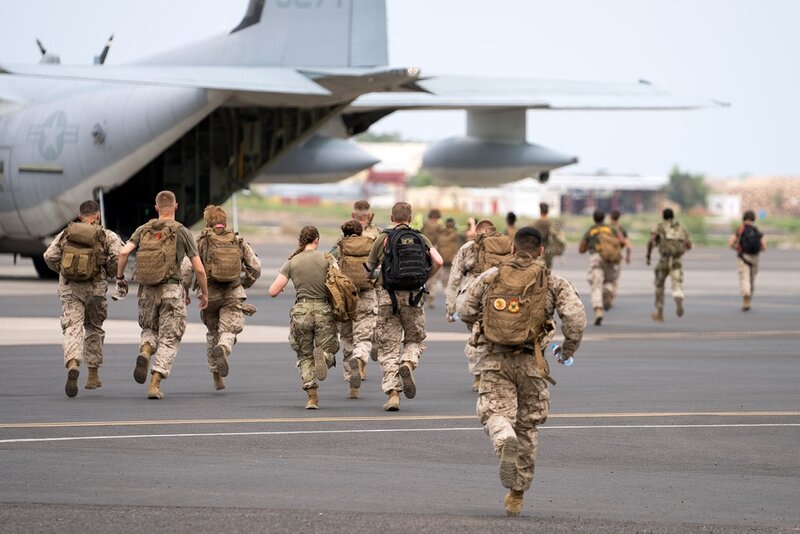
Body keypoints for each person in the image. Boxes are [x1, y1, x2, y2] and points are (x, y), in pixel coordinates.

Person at [456, 226, 586, 517]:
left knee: (494, 412)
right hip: (532, 364)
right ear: (541, 251)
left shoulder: (491, 276)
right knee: (527, 427)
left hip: (494, 360)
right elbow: (576, 319)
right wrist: (567, 351)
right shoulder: (553, 281)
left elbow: (464, 309)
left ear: (513, 249)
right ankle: (516, 494)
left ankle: (504, 440)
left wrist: (484, 323)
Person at [115, 190, 209, 400]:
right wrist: (204, 294)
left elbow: (123, 252)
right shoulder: (182, 231)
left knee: (149, 329)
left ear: (156, 208)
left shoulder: (143, 229)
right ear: (175, 206)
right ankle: (155, 383)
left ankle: (146, 350)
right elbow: (199, 269)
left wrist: (120, 278)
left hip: (146, 291)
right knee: (170, 337)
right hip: (171, 291)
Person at [366, 202, 443, 411]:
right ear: (410, 218)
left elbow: (369, 269)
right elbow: (438, 260)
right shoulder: (420, 237)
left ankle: (393, 394)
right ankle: (408, 362)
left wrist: (374, 274)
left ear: (392, 218)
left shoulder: (383, 238)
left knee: (388, 347)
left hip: (387, 298)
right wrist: (424, 279)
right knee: (414, 339)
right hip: (413, 297)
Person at [43, 200, 123, 398]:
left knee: (73, 327)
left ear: (80, 216)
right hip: (95, 290)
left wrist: (63, 270)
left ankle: (73, 363)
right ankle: (93, 376)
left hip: (70, 288)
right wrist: (109, 272)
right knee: (94, 328)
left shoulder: (67, 233)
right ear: (97, 216)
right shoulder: (106, 235)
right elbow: (118, 256)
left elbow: (49, 256)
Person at [189, 205, 261, 391]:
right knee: (229, 330)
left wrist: (185, 291)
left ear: (207, 222)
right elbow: (255, 266)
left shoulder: (201, 242)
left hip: (209, 295)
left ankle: (217, 376)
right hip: (232, 292)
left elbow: (187, 268)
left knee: (213, 333)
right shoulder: (237, 240)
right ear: (225, 221)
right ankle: (224, 347)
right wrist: (245, 283)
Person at [269, 226, 339, 409]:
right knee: (330, 348)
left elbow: (273, 291)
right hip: (323, 310)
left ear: (301, 240)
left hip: (301, 312)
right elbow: (341, 283)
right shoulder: (328, 258)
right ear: (317, 240)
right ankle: (324, 357)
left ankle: (312, 398)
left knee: (304, 355)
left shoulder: (292, 262)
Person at [446, 219, 512, 392]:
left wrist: (450, 307)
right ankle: (498, 372)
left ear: (477, 231)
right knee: (495, 334)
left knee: (476, 333)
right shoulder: (507, 246)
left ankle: (478, 376)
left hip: (473, 298)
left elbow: (454, 278)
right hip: (501, 297)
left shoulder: (468, 248)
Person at [331, 219, 377, 399]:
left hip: (345, 298)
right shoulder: (371, 245)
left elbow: (331, 269)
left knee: (347, 338)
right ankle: (360, 358)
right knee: (363, 338)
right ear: (361, 232)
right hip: (367, 297)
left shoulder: (340, 247)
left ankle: (352, 384)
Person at [578, 209, 624, 326]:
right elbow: (622, 241)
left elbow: (581, 248)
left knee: (596, 284)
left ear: (594, 218)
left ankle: (598, 310)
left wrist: (589, 246)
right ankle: (608, 294)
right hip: (609, 259)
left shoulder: (591, 230)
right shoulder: (612, 228)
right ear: (604, 218)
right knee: (610, 281)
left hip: (595, 259)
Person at [646, 208, 692, 321]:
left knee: (659, 285)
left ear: (663, 216)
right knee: (677, 284)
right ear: (673, 216)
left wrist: (648, 256)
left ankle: (660, 312)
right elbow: (689, 245)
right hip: (676, 261)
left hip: (664, 260)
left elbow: (651, 241)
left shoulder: (660, 227)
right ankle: (678, 296)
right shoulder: (680, 228)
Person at [729, 210, 766, 311]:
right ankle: (749, 299)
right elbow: (764, 246)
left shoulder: (740, 229)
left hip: (743, 257)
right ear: (754, 218)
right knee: (751, 279)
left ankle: (746, 298)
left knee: (744, 278)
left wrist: (738, 248)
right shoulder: (756, 230)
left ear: (744, 218)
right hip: (755, 258)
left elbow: (730, 243)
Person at [606, 209, 633, 310]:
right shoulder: (621, 229)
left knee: (604, 276)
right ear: (618, 218)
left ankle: (605, 291)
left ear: (610, 217)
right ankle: (611, 299)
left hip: (604, 256)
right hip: (616, 256)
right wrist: (628, 257)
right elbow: (628, 246)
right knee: (614, 279)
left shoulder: (605, 228)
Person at [532, 202, 566, 270]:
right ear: (548, 211)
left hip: (537, 252)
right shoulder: (552, 224)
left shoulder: (534, 224)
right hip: (549, 251)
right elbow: (560, 239)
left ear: (540, 211)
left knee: (538, 270)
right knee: (547, 271)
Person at [422, 209, 444, 309]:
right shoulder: (440, 226)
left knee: (424, 272)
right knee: (433, 276)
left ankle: (423, 293)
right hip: (434, 250)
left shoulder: (425, 223)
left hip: (424, 250)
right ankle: (431, 297)